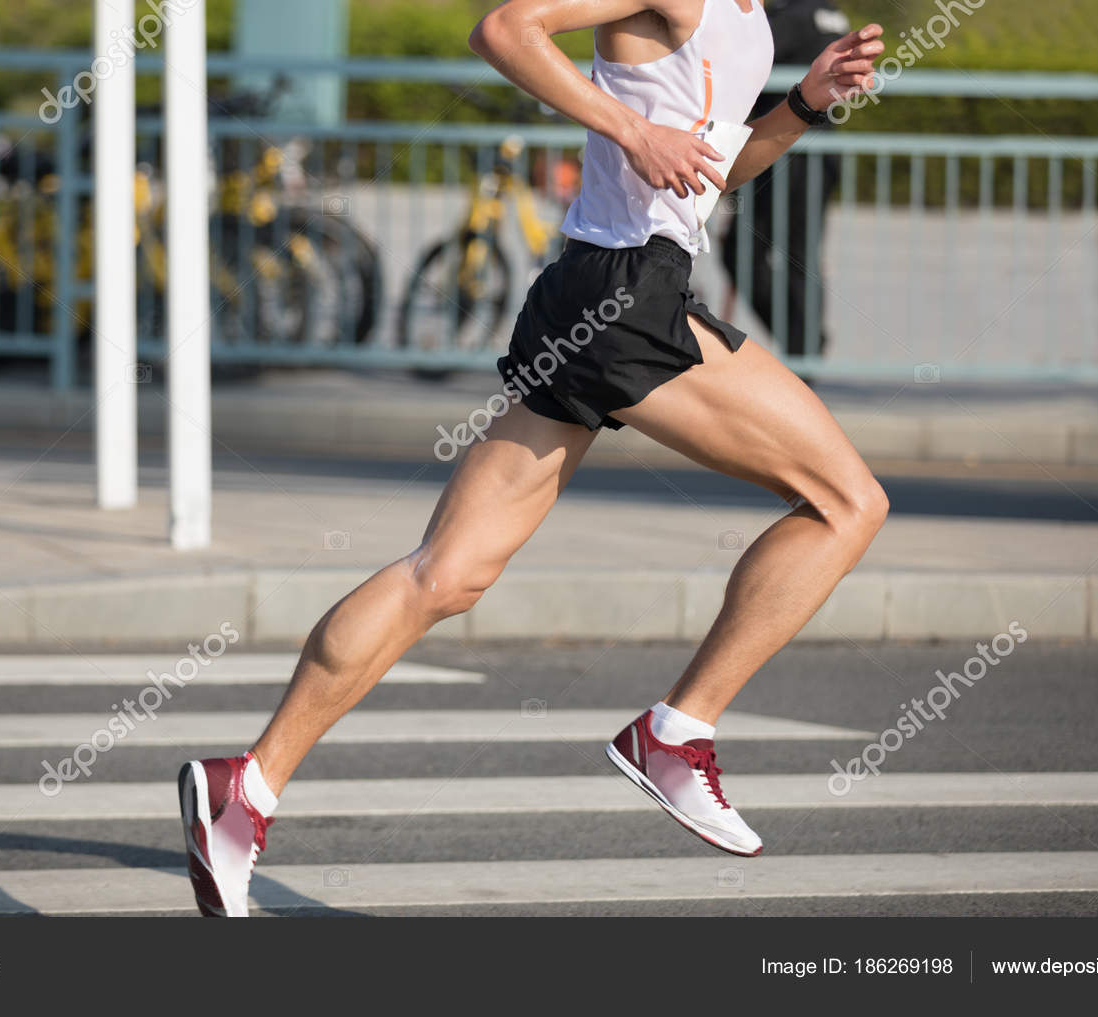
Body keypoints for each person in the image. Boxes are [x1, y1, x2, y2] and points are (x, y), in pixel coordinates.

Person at [179, 0, 886, 918]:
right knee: (846, 502)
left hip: (596, 292)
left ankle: (248, 788)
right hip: (628, 293)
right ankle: (675, 733)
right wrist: (631, 129)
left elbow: (711, 172)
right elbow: (506, 27)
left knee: (447, 573)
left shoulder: (749, 16)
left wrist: (803, 104)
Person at [718, 0, 849, 362]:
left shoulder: (794, 16)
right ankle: (803, 345)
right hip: (790, 152)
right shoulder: (824, 11)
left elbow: (736, 55)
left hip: (786, 154)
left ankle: (803, 350)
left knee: (780, 256)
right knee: (778, 255)